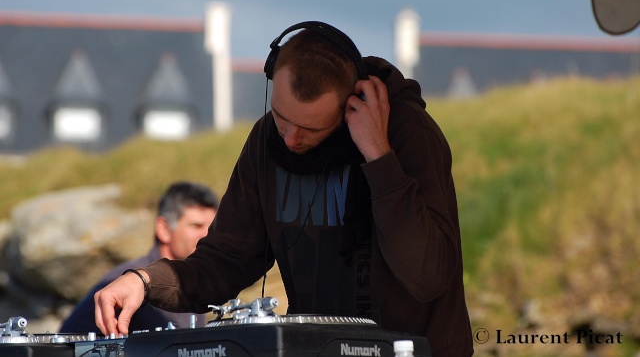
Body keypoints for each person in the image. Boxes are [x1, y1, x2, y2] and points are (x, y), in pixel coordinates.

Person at [94, 21, 474, 356]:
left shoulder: (408, 136)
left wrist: (378, 156)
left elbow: (427, 276)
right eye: (281, 117)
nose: (290, 139)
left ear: (351, 107)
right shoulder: (266, 142)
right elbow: (226, 260)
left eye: (311, 129)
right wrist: (144, 281)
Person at [60, 181, 219, 333]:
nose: (207, 235)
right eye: (196, 226)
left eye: (212, 227)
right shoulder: (124, 283)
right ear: (163, 228)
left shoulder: (196, 280)